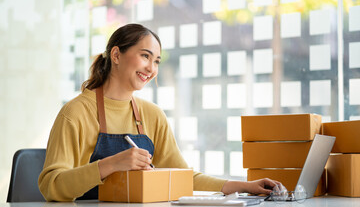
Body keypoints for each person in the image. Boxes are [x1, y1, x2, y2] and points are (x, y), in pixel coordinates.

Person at [38, 23, 280, 201]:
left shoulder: (152, 115)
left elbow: (183, 177)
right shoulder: (76, 112)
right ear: (116, 55)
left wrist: (244, 186)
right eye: (145, 56)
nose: (151, 68)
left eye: (156, 61)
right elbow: (51, 186)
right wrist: (110, 164)